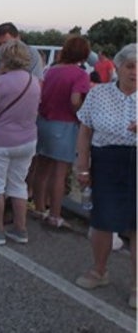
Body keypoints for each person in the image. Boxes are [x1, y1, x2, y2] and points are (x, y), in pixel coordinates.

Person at [74, 43, 136, 309]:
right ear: (118, 68)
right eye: (130, 66)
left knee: (136, 225)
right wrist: (83, 167)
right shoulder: (99, 95)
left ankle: (137, 284)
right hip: (106, 161)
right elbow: (85, 132)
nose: (135, 73)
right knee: (101, 220)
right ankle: (100, 271)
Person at [0, 39, 41, 246]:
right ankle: (20, 229)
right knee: (18, 184)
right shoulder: (34, 82)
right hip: (27, 139)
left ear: (5, 58)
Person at [30, 35, 91, 229]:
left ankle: (39, 208)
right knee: (59, 174)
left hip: (44, 122)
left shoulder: (51, 70)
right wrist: (80, 114)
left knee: (41, 169)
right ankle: (55, 215)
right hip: (64, 125)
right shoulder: (80, 74)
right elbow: (75, 100)